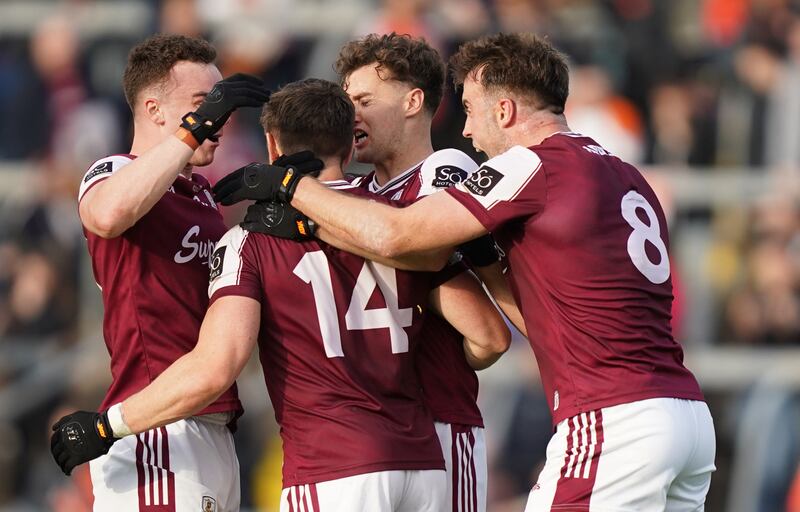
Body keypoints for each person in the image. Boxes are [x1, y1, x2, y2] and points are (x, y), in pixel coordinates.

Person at [213, 33, 717, 510]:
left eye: (473, 111)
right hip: (679, 408)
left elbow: (403, 242)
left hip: (602, 417)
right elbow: (544, 310)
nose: (469, 130)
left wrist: (291, 191)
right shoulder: (625, 172)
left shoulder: (521, 165)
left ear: (506, 109)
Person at [53, 78, 510, 511]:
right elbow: (490, 337)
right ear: (351, 142)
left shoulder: (251, 241)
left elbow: (216, 366)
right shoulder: (400, 225)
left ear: (272, 145)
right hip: (423, 461)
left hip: (330, 463)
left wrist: (104, 425)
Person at [49, 34, 269, 511]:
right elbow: (106, 214)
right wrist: (192, 131)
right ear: (154, 110)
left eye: (220, 106)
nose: (219, 119)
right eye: (203, 104)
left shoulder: (203, 195)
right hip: (155, 427)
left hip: (208, 420)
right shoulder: (113, 168)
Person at [335, 32, 495, 512]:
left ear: (413, 101)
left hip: (441, 421)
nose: (351, 115)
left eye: (364, 100)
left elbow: (429, 256)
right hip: (373, 431)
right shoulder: (354, 194)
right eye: (346, 102)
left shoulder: (444, 169)